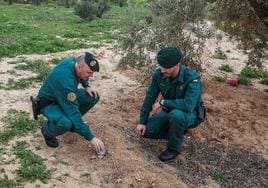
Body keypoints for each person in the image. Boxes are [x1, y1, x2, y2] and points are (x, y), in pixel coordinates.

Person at [135, 47, 202, 161]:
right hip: (169, 110)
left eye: (166, 67)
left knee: (177, 115)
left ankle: (173, 149)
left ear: (177, 65)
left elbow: (188, 105)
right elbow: (150, 96)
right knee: (147, 131)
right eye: (161, 66)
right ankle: (177, 132)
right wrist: (142, 121)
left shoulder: (192, 78)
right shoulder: (159, 75)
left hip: (190, 114)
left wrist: (163, 102)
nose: (162, 70)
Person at [32, 52, 105, 154]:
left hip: (62, 97)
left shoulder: (72, 61)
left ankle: (74, 125)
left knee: (92, 96)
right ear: (79, 67)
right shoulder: (66, 83)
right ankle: (47, 131)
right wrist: (91, 138)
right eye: (89, 73)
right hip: (49, 103)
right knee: (65, 123)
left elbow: (81, 73)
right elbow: (73, 112)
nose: (91, 75)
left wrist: (86, 85)